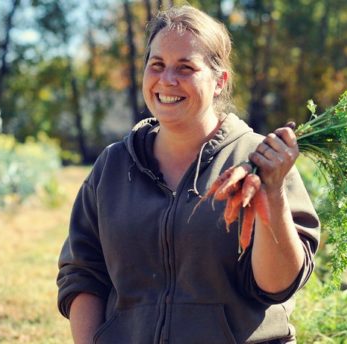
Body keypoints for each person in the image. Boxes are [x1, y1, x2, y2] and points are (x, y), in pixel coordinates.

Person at [56, 5, 320, 343]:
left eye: (185, 67)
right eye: (157, 65)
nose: (167, 80)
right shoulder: (113, 166)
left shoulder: (259, 162)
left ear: (219, 81)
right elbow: (83, 273)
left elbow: (278, 284)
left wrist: (273, 193)